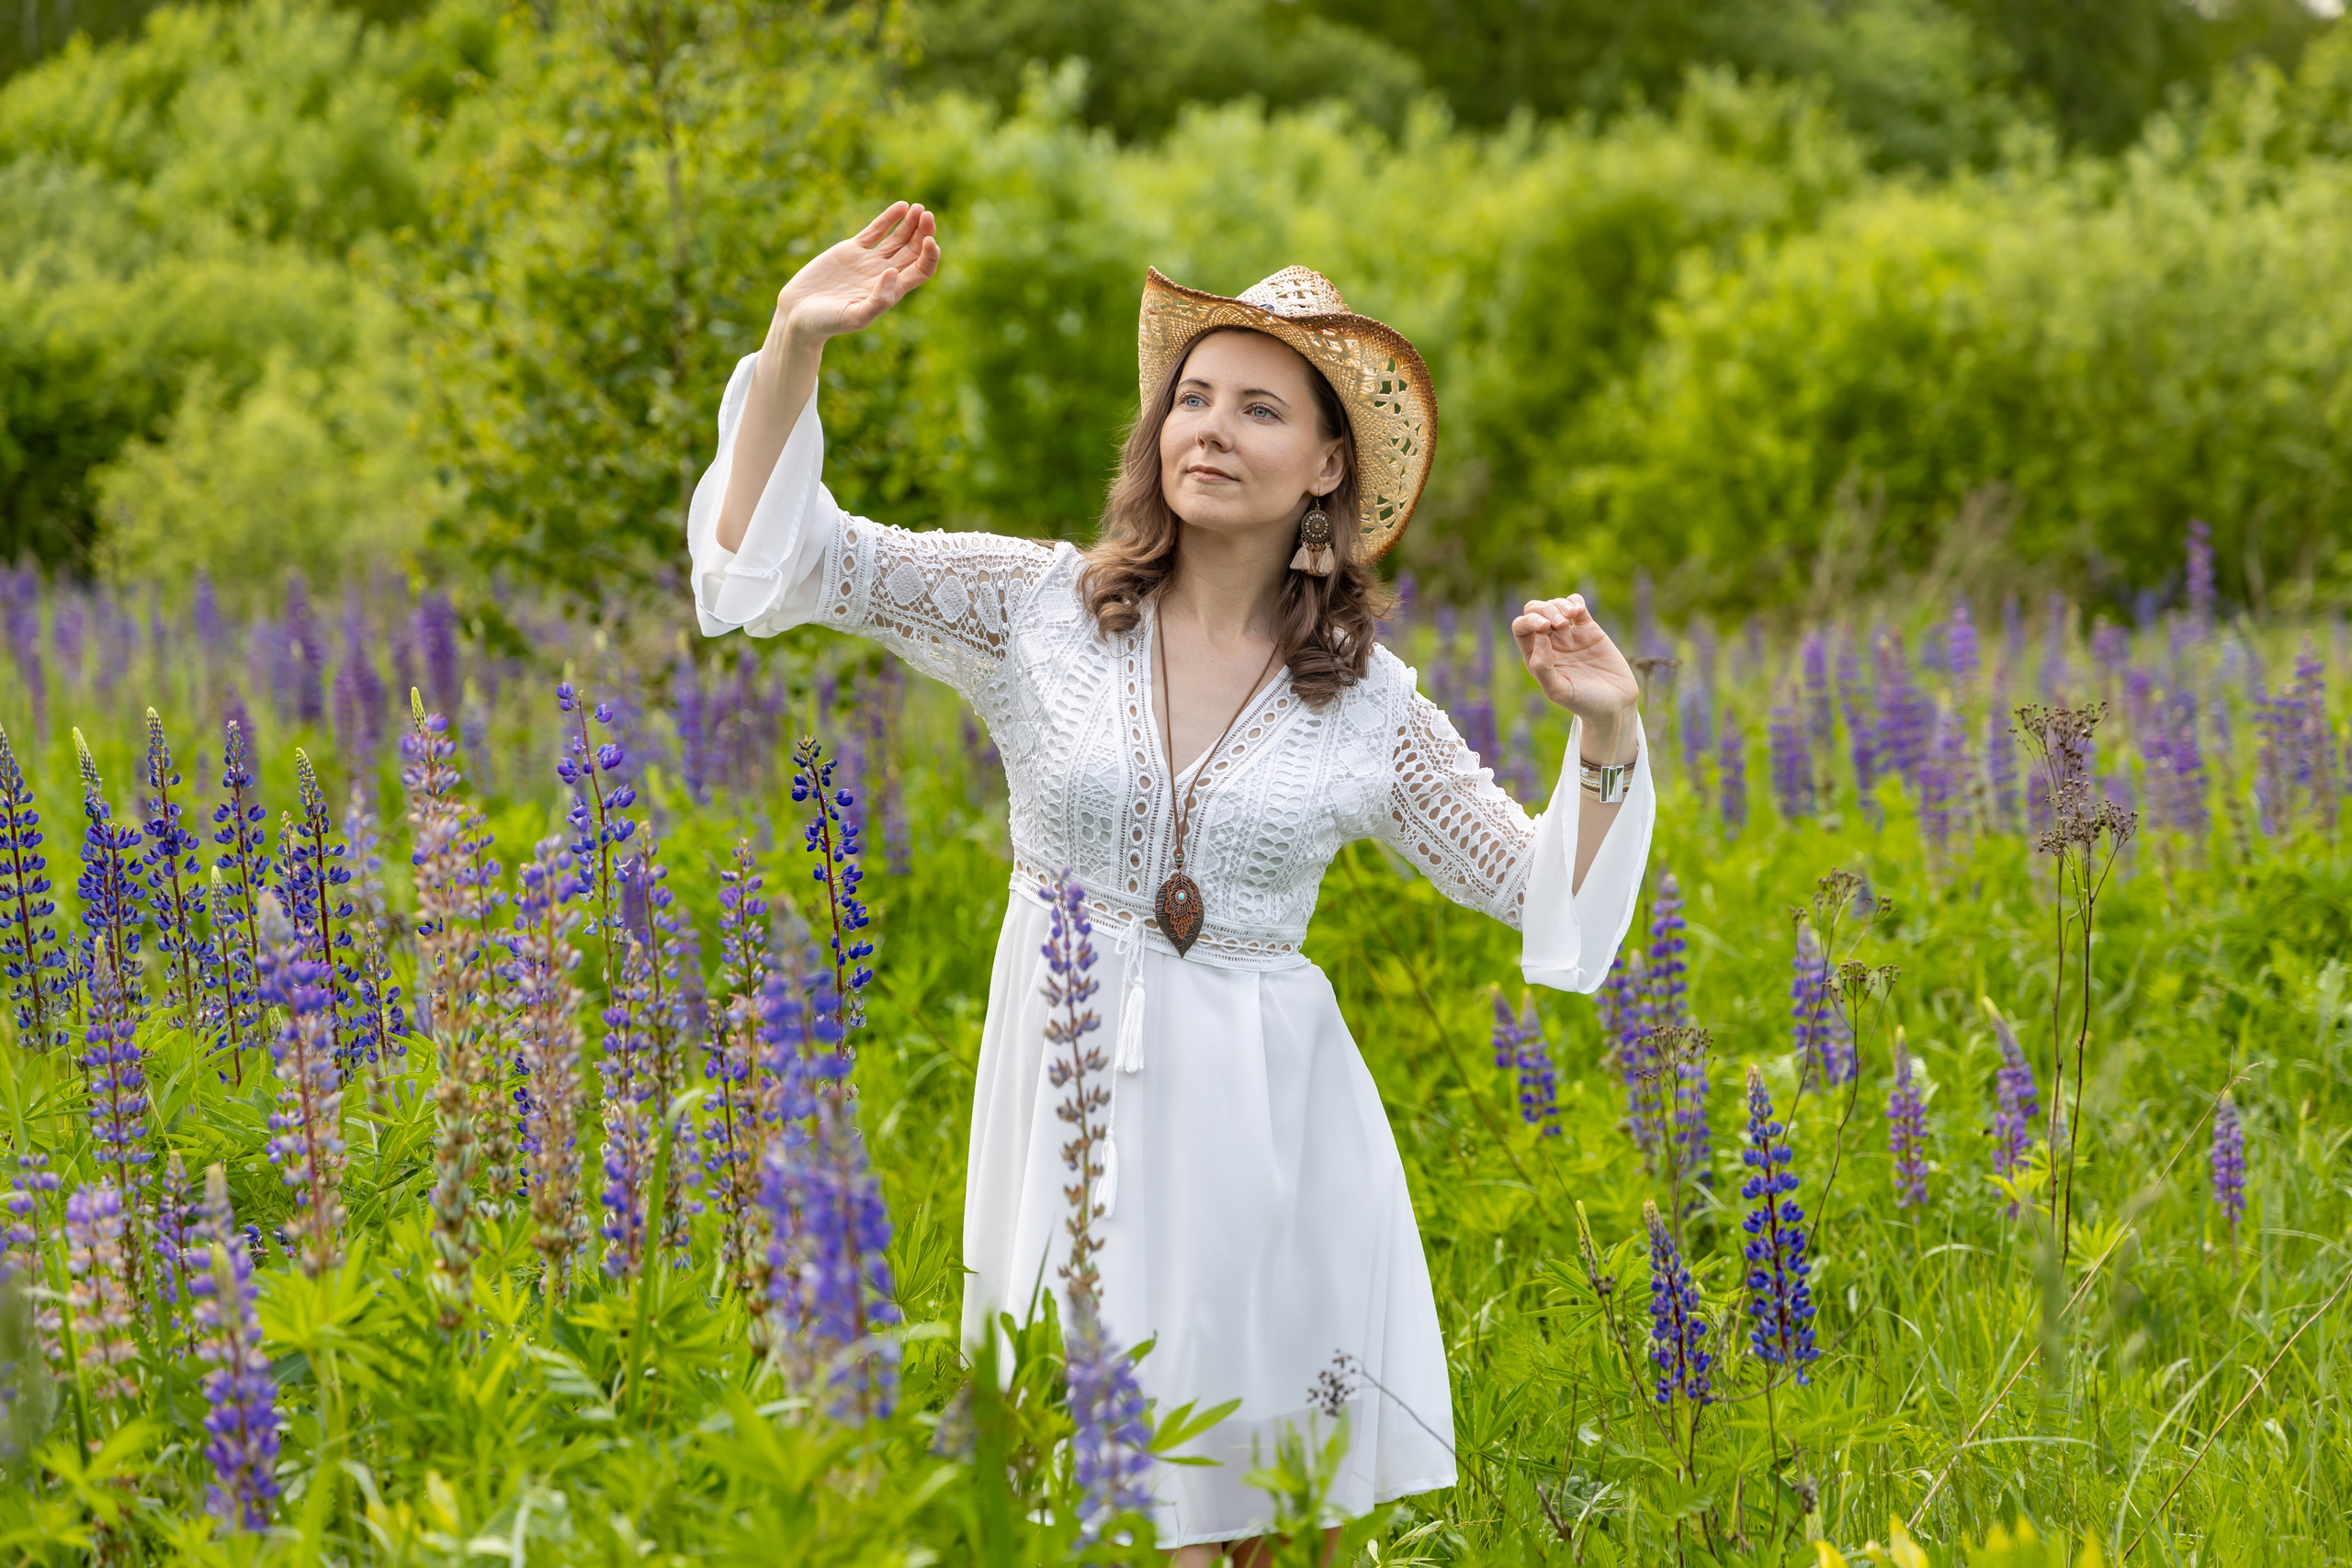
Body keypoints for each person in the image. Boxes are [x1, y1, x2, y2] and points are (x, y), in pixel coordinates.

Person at [688, 201, 1655, 1561]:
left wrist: (1607, 733)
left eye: (1260, 409)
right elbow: (783, 562)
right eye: (1193, 396)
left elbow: (1541, 889)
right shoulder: (1035, 609)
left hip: (1265, 1129)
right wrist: (795, 341)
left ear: (1328, 464)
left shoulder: (1367, 705)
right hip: (1072, 1088)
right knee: (1104, 1507)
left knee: (1249, 1527)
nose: (1209, 426)